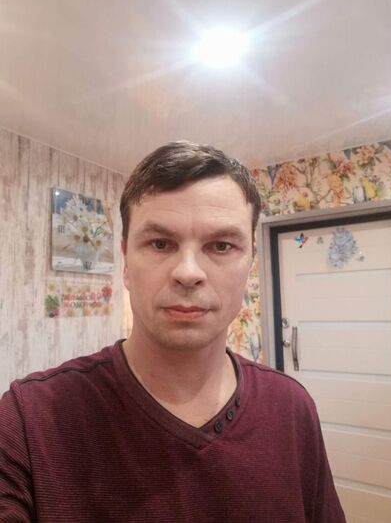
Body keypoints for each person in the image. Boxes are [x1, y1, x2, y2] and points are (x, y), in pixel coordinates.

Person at [0, 141, 346, 522]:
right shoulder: (28, 422)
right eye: (161, 243)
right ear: (125, 262)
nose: (188, 272)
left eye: (221, 245)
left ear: (250, 264)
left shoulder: (293, 409)